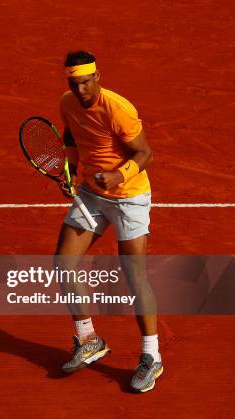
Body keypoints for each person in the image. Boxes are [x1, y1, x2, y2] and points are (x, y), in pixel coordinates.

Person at [55, 50, 162, 393]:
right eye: (75, 83)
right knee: (64, 264)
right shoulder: (68, 102)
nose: (81, 89)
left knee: (134, 275)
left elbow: (144, 153)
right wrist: (69, 171)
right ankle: (88, 339)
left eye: (86, 82)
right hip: (91, 194)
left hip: (129, 197)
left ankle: (151, 356)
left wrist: (119, 175)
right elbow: (70, 137)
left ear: (97, 78)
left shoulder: (119, 108)